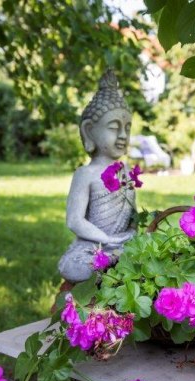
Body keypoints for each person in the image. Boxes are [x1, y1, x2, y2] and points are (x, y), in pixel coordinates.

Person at [58, 70, 137, 283]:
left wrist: (132, 234)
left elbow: (132, 216)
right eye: (114, 127)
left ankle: (115, 266)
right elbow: (74, 220)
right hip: (93, 245)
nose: (122, 135)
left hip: (123, 242)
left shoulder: (125, 170)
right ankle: (108, 269)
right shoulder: (86, 174)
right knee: (76, 267)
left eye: (127, 128)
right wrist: (107, 240)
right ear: (89, 130)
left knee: (149, 253)